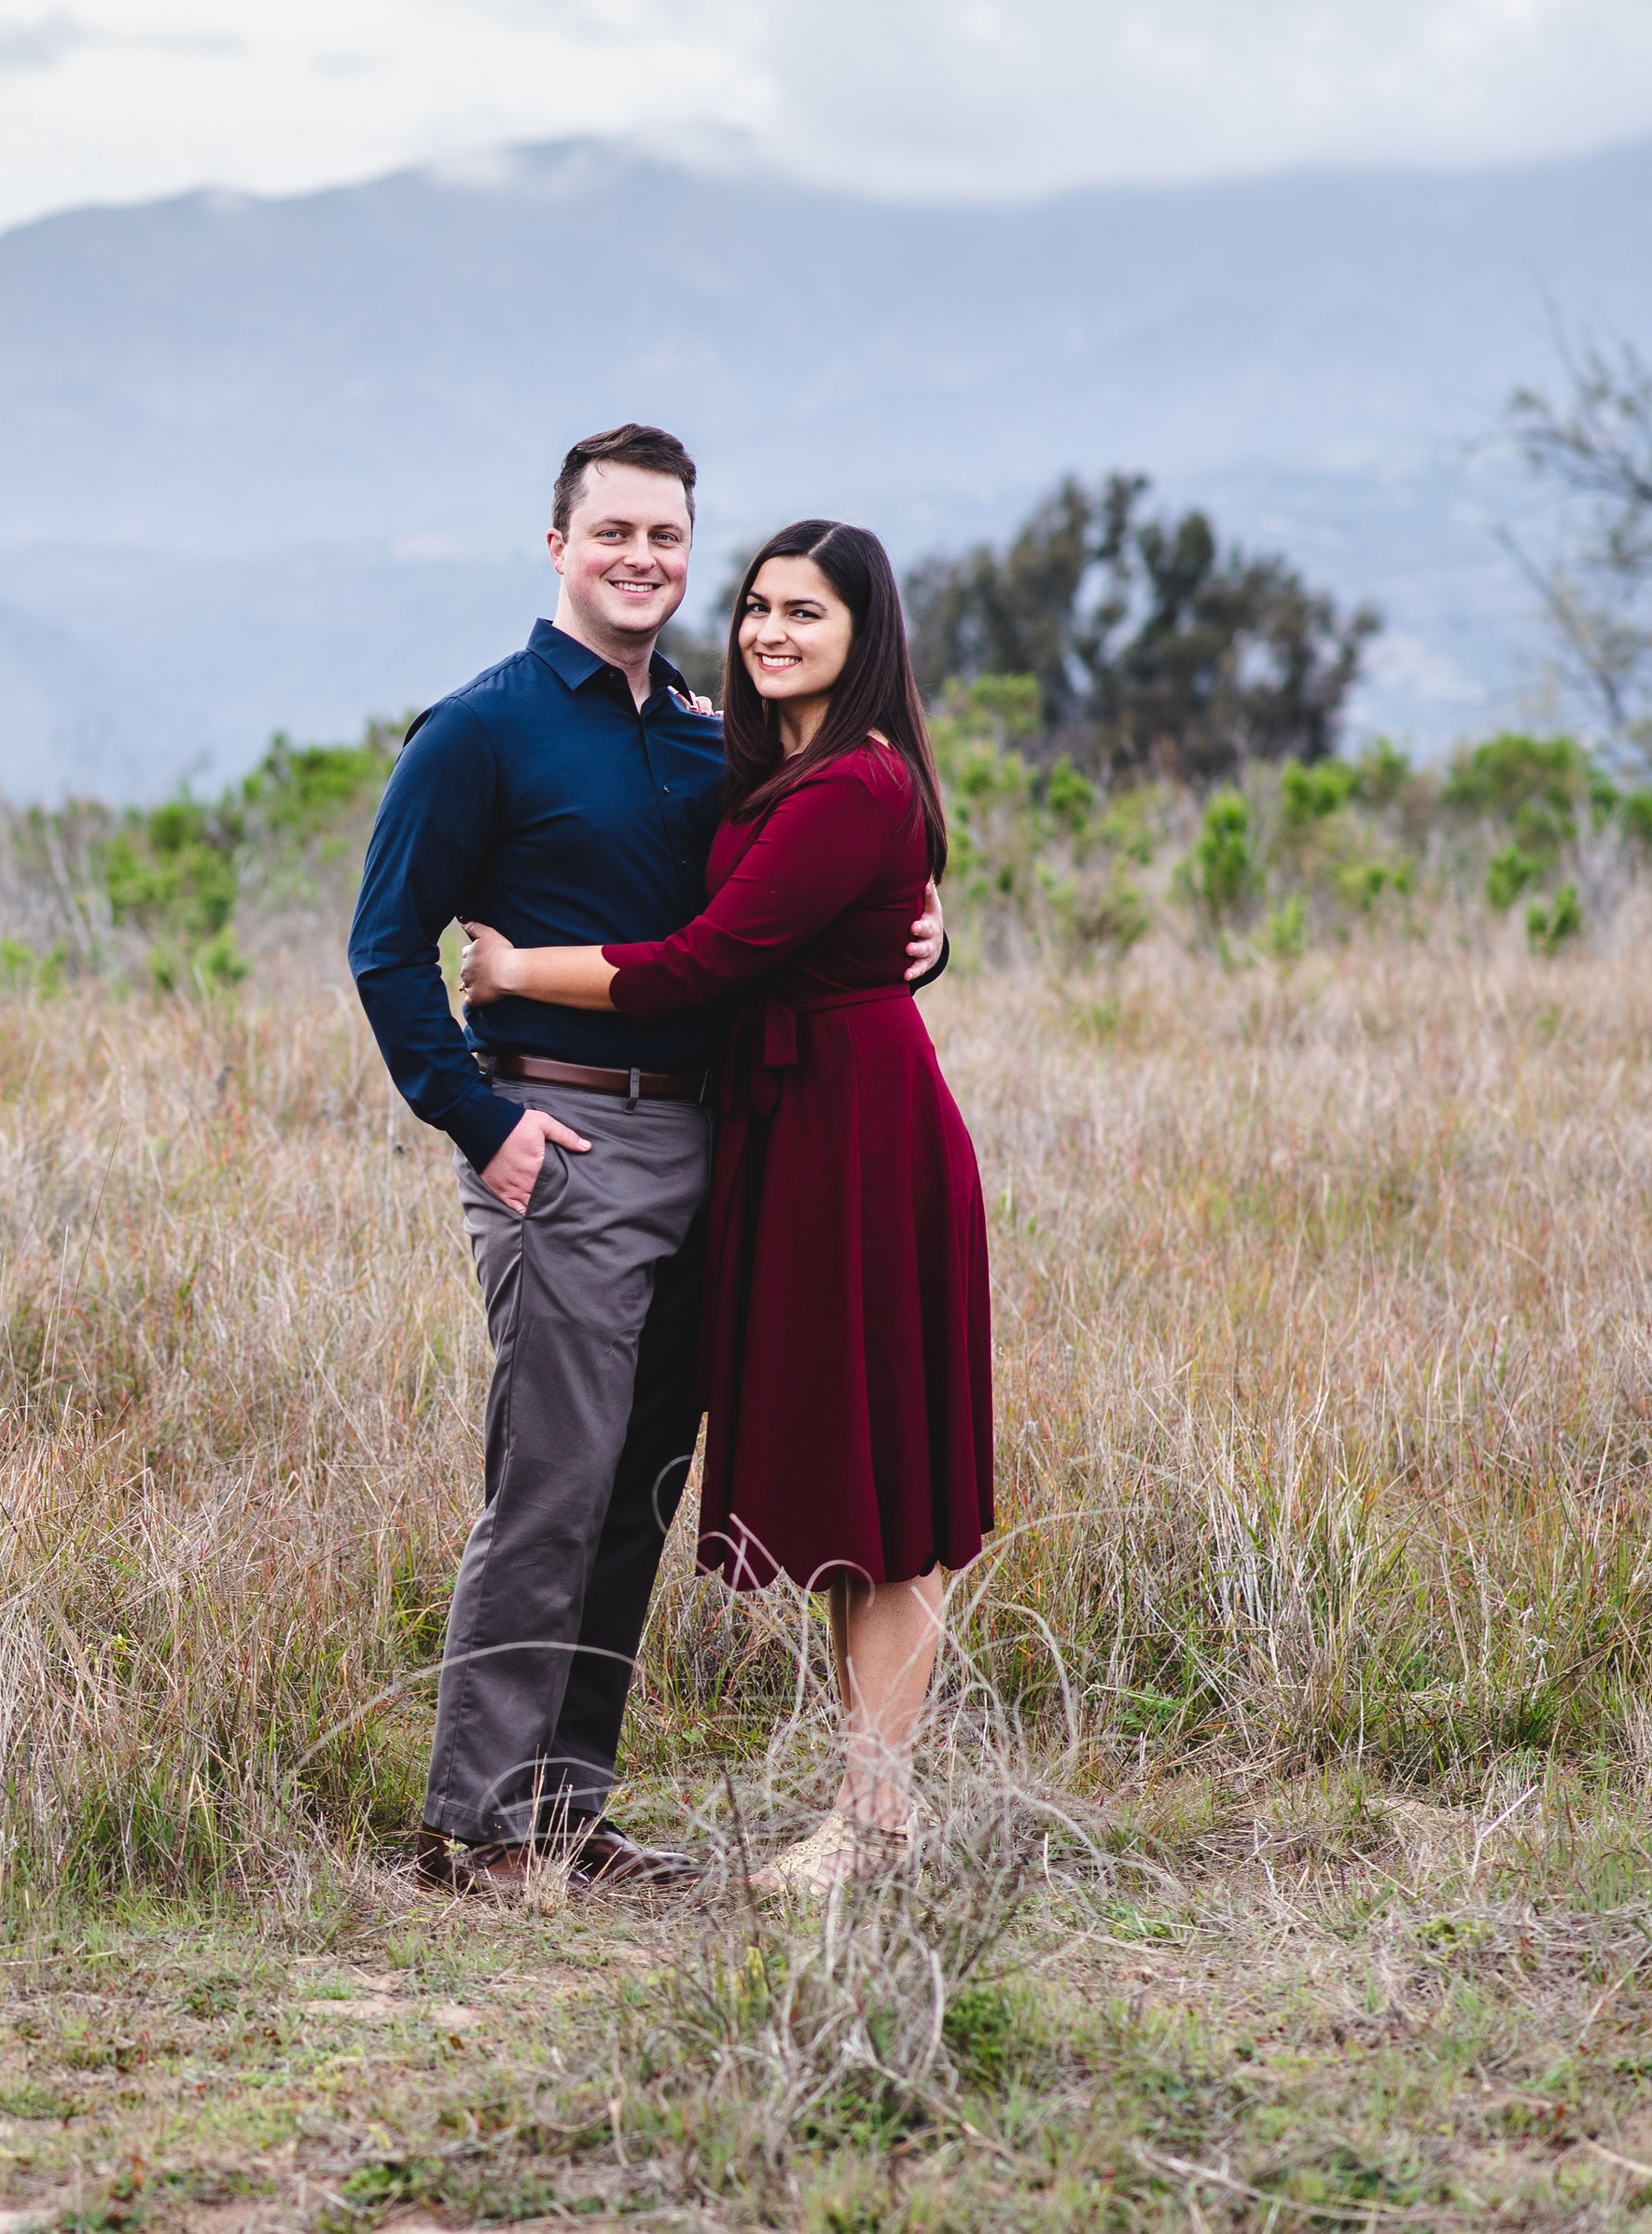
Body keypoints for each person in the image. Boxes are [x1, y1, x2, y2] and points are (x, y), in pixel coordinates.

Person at [348, 429, 943, 1897]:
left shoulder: (707, 736)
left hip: (719, 1147)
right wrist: (483, 1128)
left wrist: (928, 939)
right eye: (612, 531)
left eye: (668, 538)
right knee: (550, 1482)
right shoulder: (476, 733)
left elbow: (786, 915)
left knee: (639, 1489)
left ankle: (569, 1814)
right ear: (557, 545)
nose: (642, 559)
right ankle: (477, 1826)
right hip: (561, 1135)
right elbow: (385, 954)